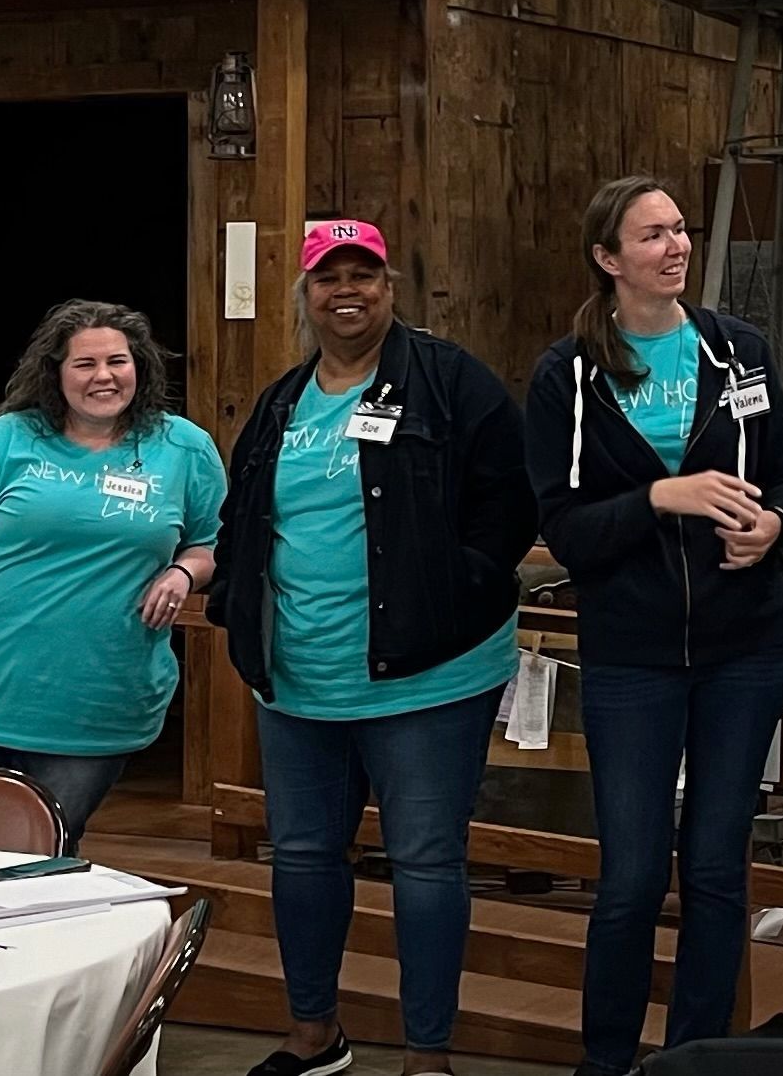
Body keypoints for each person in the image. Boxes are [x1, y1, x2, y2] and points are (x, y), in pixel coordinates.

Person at [210, 220, 537, 1076]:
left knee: (427, 862)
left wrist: (455, 589)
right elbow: (243, 517)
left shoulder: (449, 381)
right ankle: (315, 1034)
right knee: (305, 855)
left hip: (428, 676)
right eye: (328, 277)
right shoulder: (283, 401)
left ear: (391, 288)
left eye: (364, 275)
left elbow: (510, 500)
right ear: (306, 295)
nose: (345, 290)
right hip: (297, 678)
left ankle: (428, 1054)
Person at [525, 177, 783, 1076]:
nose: (676, 246)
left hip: (744, 651)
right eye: (652, 235)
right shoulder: (564, 375)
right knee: (633, 877)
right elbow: (565, 530)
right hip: (633, 658)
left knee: (719, 872)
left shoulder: (741, 355)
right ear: (609, 260)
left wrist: (773, 530)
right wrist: (660, 496)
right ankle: (607, 1060)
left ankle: (697, 1059)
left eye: (680, 229)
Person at [0, 299, 225, 850]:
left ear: (139, 367)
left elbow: (213, 542)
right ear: (55, 373)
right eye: (84, 364)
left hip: (96, 704)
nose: (104, 377)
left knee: (39, 864)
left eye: (117, 361)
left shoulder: (184, 447)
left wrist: (185, 572)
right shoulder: (5, 440)